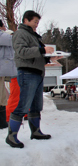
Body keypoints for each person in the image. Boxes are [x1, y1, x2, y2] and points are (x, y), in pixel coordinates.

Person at [5, 10, 60, 148]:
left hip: (38, 73)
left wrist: (50, 58)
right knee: (23, 104)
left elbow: (36, 56)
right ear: (26, 20)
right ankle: (11, 136)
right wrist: (42, 51)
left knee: (36, 105)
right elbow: (22, 52)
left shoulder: (34, 36)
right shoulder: (20, 34)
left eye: (37, 22)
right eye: (35, 22)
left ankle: (36, 132)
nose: (37, 25)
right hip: (27, 73)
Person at [0, 20, 17, 129]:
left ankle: (3, 121)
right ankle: (2, 122)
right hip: (6, 72)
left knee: (3, 96)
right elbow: (13, 41)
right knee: (2, 97)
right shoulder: (3, 36)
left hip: (3, 72)